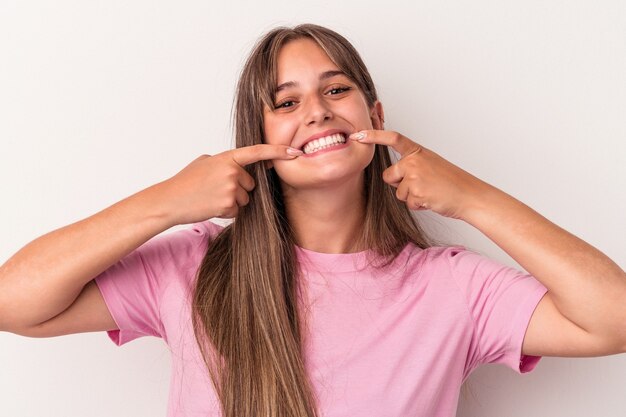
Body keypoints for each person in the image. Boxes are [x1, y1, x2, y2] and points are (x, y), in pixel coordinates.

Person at [0, 23, 624, 417]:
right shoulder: (193, 266)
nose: (318, 113)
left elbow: (613, 319)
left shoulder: (453, 287)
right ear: (258, 137)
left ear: (373, 112)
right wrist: (167, 201)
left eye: (336, 90)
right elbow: (13, 302)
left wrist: (472, 198)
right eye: (287, 102)